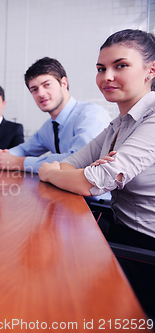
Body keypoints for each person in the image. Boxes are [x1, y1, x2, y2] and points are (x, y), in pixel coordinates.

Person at [39, 29, 155, 315]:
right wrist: (80, 172)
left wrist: (51, 172)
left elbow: (93, 182)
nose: (107, 76)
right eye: (101, 69)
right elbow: (74, 164)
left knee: (49, 280)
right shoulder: (119, 124)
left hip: (144, 251)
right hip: (118, 232)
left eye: (121, 65)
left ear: (151, 70)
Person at [0, 57, 111, 173]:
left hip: (93, 193)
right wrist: (2, 155)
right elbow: (24, 149)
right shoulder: (49, 126)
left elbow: (78, 161)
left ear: (63, 83)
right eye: (34, 89)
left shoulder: (92, 115)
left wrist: (20, 162)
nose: (41, 93)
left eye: (47, 85)